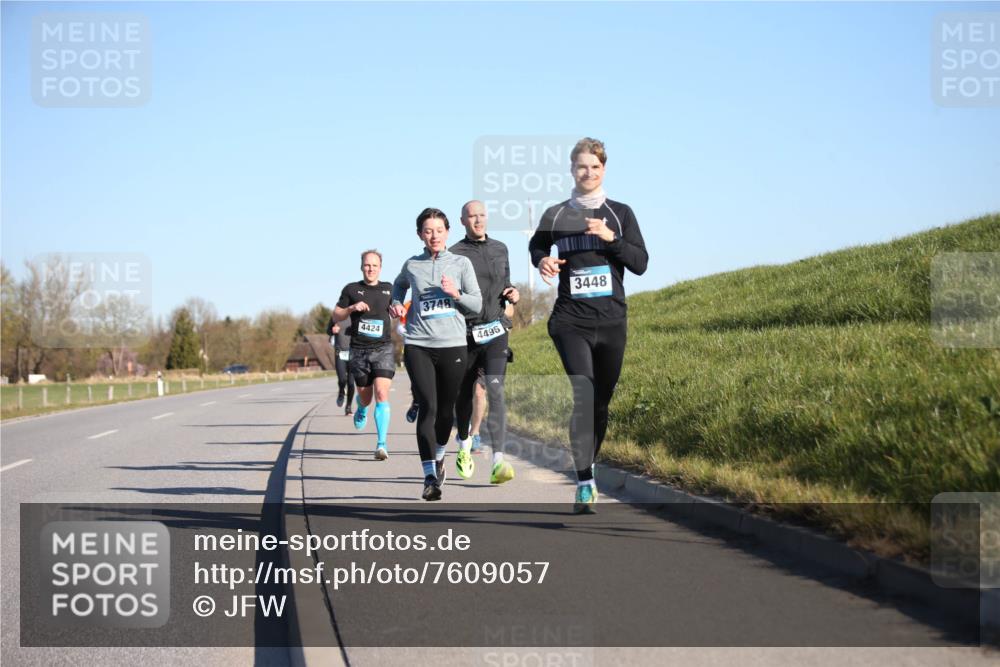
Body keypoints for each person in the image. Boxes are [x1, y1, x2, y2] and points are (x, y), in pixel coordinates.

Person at [528, 138, 648, 513]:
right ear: (572, 170)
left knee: (600, 404)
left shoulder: (620, 214)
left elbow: (640, 262)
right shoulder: (556, 214)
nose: (589, 173)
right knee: (584, 395)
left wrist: (612, 240)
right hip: (570, 321)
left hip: (612, 320)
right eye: (582, 166)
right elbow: (536, 247)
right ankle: (584, 481)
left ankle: (587, 465)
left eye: (595, 167)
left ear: (604, 170)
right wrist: (542, 262)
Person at [390, 208, 482, 501]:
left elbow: (477, 305)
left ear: (447, 232)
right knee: (428, 407)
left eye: (439, 230)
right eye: (428, 231)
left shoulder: (461, 263)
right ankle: (429, 476)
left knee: (446, 411)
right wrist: (395, 302)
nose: (433, 236)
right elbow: (399, 285)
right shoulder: (412, 265)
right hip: (418, 344)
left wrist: (456, 294)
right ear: (420, 234)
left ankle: (440, 455)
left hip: (453, 344)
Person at [450, 200, 518, 484]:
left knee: (496, 391)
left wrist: (512, 297)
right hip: (465, 334)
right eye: (472, 216)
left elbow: (506, 287)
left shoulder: (500, 248)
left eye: (482, 215)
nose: (478, 220)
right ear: (463, 221)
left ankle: (498, 461)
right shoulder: (453, 254)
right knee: (464, 396)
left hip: (495, 331)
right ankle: (464, 445)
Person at [332, 250, 397, 460]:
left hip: (383, 349)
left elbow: (398, 308)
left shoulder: (389, 289)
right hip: (359, 350)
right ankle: (360, 407)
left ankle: (381, 444)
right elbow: (336, 314)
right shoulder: (351, 289)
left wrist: (398, 311)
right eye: (367, 265)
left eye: (374, 266)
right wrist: (351, 308)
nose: (370, 269)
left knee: (381, 393)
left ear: (380, 267)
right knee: (366, 397)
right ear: (362, 267)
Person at [327, 316, 355, 415]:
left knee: (351, 383)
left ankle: (348, 407)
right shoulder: (336, 317)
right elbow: (328, 331)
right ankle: (341, 392)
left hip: (353, 352)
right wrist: (332, 330)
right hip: (340, 352)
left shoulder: (356, 315)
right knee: (342, 379)